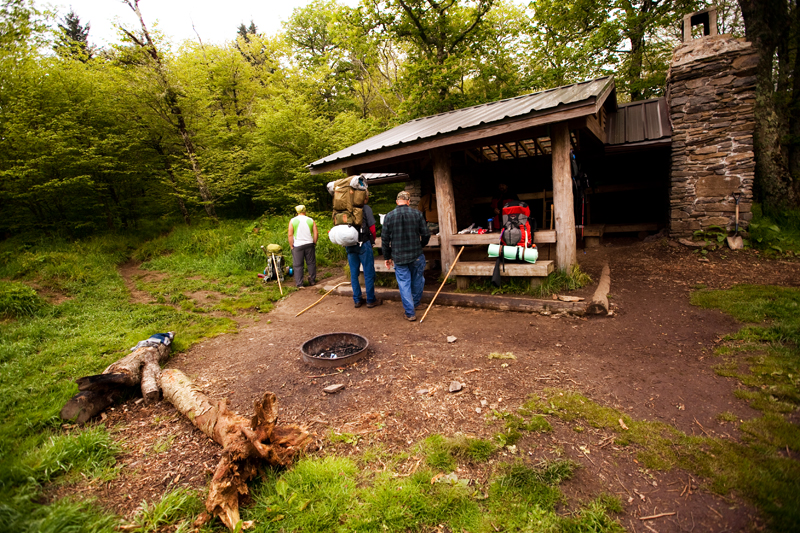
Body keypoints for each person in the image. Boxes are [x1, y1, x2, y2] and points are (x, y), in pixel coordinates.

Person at [382, 190, 430, 321]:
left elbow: (385, 240)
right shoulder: (417, 214)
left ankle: (410, 313)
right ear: (408, 201)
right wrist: (421, 245)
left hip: (399, 256)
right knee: (418, 279)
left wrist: (387, 257)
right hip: (416, 254)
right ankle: (417, 303)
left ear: (397, 201)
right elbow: (426, 234)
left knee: (404, 283)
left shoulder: (389, 216)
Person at [346, 195, 382, 308]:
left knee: (354, 273)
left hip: (350, 244)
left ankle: (357, 299)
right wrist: (372, 241)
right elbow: (372, 228)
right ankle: (371, 300)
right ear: (364, 197)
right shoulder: (365, 208)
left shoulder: (346, 210)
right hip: (364, 243)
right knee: (368, 272)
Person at [287, 205, 318, 288]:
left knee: (298, 265)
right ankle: (312, 280)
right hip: (309, 244)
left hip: (297, 245)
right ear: (305, 211)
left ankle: (300, 284)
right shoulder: (311, 220)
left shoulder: (293, 221)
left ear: (297, 211)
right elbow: (316, 233)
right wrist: (314, 242)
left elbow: (290, 234)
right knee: (311, 263)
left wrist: (291, 245)